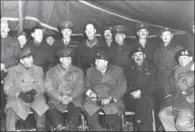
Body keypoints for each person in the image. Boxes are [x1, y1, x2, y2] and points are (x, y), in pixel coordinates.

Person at [3, 47, 49, 131]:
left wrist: (34, 92)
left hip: (34, 96)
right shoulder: (12, 70)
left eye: (31, 58)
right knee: (11, 106)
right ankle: (10, 129)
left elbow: (42, 86)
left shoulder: (38, 69)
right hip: (18, 97)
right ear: (21, 61)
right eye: (28, 58)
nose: (31, 60)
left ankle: (41, 128)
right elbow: (7, 88)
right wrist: (20, 94)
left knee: (41, 103)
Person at [83, 49, 127, 131]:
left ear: (106, 62)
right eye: (95, 61)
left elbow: (122, 87)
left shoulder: (117, 71)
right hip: (95, 98)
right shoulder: (90, 71)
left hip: (111, 99)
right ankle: (96, 129)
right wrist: (90, 93)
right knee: (88, 107)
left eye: (98, 61)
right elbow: (86, 86)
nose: (96, 63)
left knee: (113, 112)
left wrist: (111, 98)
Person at [45, 48, 84, 131]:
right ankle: (59, 127)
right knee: (50, 108)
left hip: (73, 99)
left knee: (75, 112)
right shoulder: (51, 71)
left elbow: (80, 87)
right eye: (67, 59)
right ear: (61, 59)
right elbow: (48, 88)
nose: (69, 61)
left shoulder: (78, 71)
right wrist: (59, 97)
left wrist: (70, 97)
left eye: (70, 58)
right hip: (56, 99)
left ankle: (71, 127)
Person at [158, 49, 194, 131]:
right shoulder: (175, 70)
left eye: (184, 57)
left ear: (190, 58)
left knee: (181, 123)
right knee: (163, 114)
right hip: (178, 103)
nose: (181, 60)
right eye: (180, 58)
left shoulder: (192, 70)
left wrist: (190, 99)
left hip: (190, 104)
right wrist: (168, 95)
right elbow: (169, 86)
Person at [124, 47, 156, 131]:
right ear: (132, 57)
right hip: (131, 99)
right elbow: (124, 85)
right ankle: (141, 125)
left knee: (145, 99)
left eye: (140, 54)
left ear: (144, 56)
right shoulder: (127, 70)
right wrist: (132, 93)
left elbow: (154, 86)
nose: (138, 57)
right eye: (135, 55)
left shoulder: (151, 69)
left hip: (146, 97)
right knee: (146, 103)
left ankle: (139, 124)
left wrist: (140, 91)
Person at [154, 27, 183, 109]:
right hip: (160, 80)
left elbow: (182, 64)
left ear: (172, 35)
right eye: (163, 35)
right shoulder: (158, 49)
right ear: (160, 37)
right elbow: (156, 63)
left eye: (168, 35)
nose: (166, 37)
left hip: (173, 79)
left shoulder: (178, 48)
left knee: (172, 103)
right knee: (161, 103)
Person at [1, 18, 21, 118]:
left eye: (5, 27)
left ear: (8, 29)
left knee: (11, 95)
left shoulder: (14, 41)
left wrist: (5, 66)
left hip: (11, 72)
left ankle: (11, 116)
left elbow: (17, 58)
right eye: (1, 27)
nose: (3, 29)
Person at [109, 25, 134, 89]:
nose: (118, 38)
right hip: (115, 76)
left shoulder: (130, 48)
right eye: (116, 36)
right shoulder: (111, 48)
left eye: (120, 35)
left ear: (124, 36)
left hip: (128, 76)